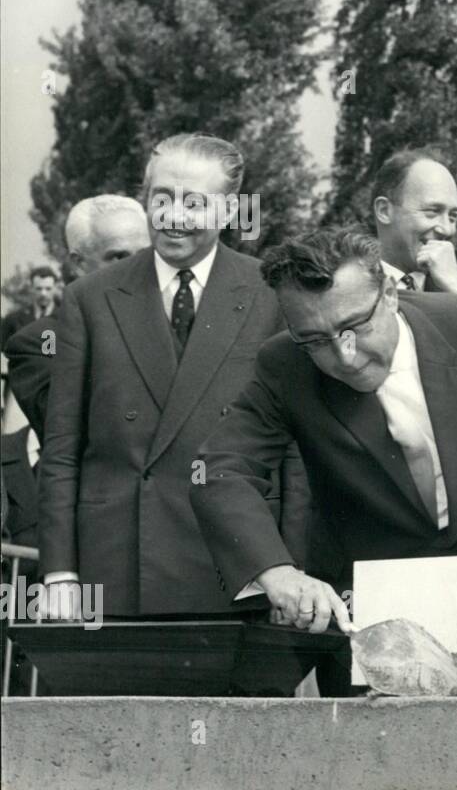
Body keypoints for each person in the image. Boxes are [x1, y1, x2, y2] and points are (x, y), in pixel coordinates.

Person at [190, 229, 457, 638]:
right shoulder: (283, 365)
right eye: (314, 340)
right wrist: (276, 572)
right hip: (368, 602)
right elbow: (217, 471)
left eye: (356, 327)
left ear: (389, 294)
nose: (344, 358)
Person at [39, 133, 310, 617]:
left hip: (239, 564)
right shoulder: (90, 297)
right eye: (161, 198)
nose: (173, 216)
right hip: (119, 566)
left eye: (194, 202)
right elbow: (62, 448)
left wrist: (292, 567)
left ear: (229, 212)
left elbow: (296, 451)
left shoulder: (270, 293)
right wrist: (60, 571)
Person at [5, 195, 153, 441]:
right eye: (119, 257)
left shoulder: (183, 322)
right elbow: (75, 429)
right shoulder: (38, 343)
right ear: (79, 264)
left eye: (145, 255)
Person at [370, 146, 457, 301]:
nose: (447, 230)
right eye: (433, 211)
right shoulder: (344, 293)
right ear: (384, 211)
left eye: (453, 217)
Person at [0, 266, 57, 354]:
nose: (43, 294)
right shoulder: (13, 320)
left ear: (55, 288)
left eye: (48, 289)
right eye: (39, 288)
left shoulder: (67, 320)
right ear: (31, 288)